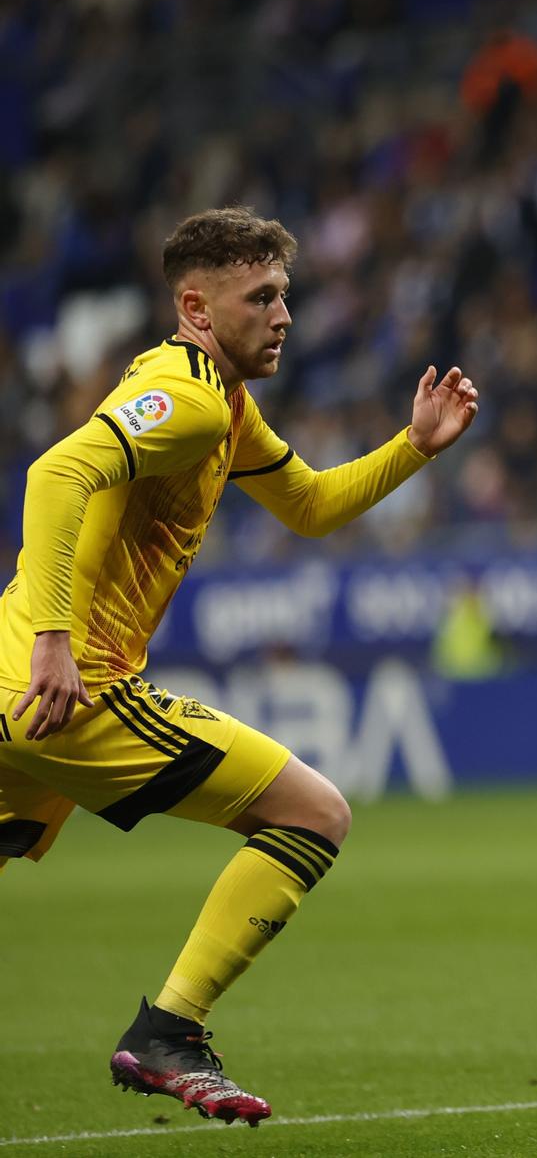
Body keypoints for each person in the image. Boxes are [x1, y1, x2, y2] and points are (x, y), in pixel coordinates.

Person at [0, 208, 480, 1125]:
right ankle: (168, 1032)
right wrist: (56, 641)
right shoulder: (183, 399)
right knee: (315, 812)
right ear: (196, 304)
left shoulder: (223, 403)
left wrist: (412, 447)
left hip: (12, 681)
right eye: (260, 297)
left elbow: (305, 505)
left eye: (285, 295)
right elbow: (54, 476)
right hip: (70, 684)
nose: (283, 315)